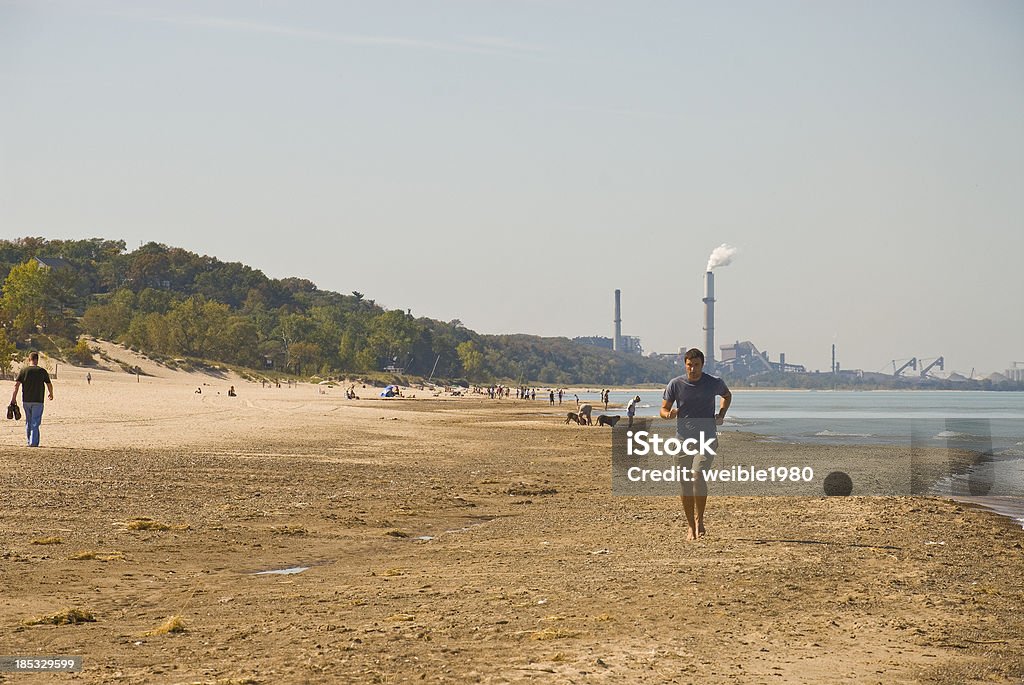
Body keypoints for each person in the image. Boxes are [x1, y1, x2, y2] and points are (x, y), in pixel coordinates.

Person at [660, 348, 731, 541]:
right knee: (685, 483)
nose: (693, 369)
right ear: (685, 364)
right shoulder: (676, 384)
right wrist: (669, 415)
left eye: (696, 365)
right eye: (689, 365)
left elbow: (727, 395)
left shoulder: (713, 383)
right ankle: (691, 526)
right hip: (683, 439)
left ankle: (700, 520)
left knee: (697, 476)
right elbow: (663, 409)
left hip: (707, 438)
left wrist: (721, 415)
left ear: (702, 364)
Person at [10, 352, 54, 448]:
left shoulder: (24, 370)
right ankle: (33, 442)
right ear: (37, 360)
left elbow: (16, 386)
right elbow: (49, 384)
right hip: (38, 400)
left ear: (29, 359)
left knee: (28, 421)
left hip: (26, 400)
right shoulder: (42, 371)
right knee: (35, 421)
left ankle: (29, 441)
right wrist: (51, 393)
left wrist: (13, 399)